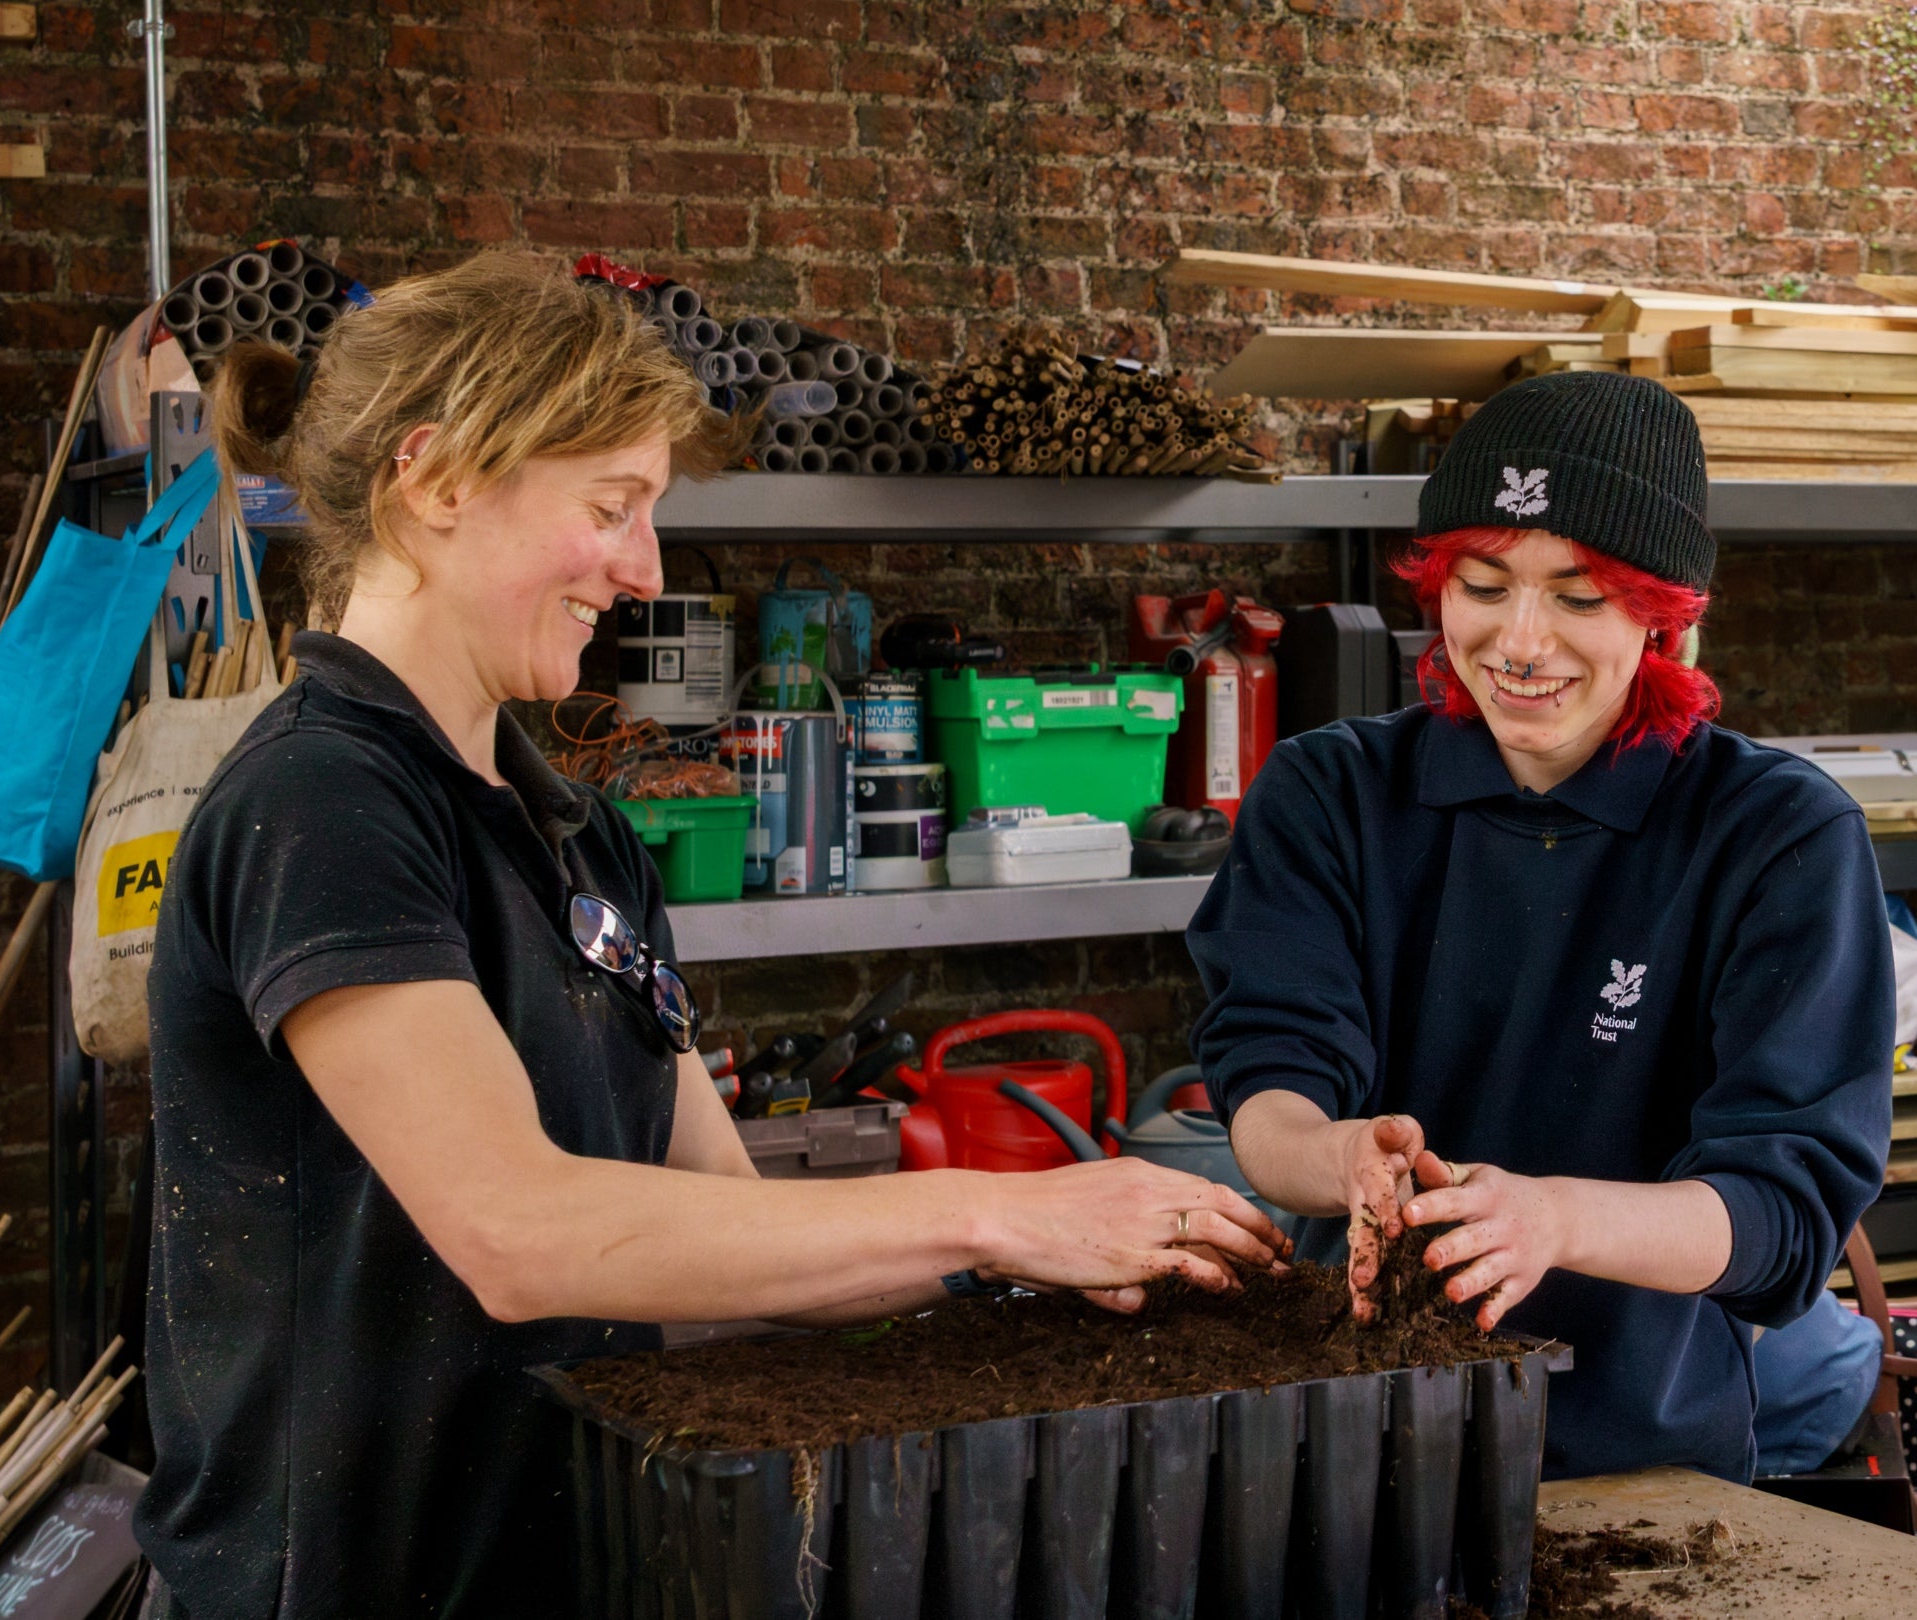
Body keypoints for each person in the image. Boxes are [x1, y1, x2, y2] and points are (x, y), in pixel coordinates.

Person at [135, 252, 1288, 1619]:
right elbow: (516, 1231)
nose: (646, 566)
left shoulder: (586, 845)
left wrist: (1070, 1280)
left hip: (575, 1570)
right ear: (436, 482)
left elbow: (736, 1253)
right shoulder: (323, 801)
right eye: (613, 508)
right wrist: (1006, 1205)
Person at [1187, 372, 1893, 1481]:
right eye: (1483, 584)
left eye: (1578, 596)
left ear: (1663, 612)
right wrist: (1337, 1158)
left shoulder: (1776, 835)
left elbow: (1780, 1215)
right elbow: (1271, 1081)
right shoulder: (1330, 794)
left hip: (1644, 1470)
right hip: (1340, 1441)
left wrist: (1552, 1220)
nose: (1520, 641)